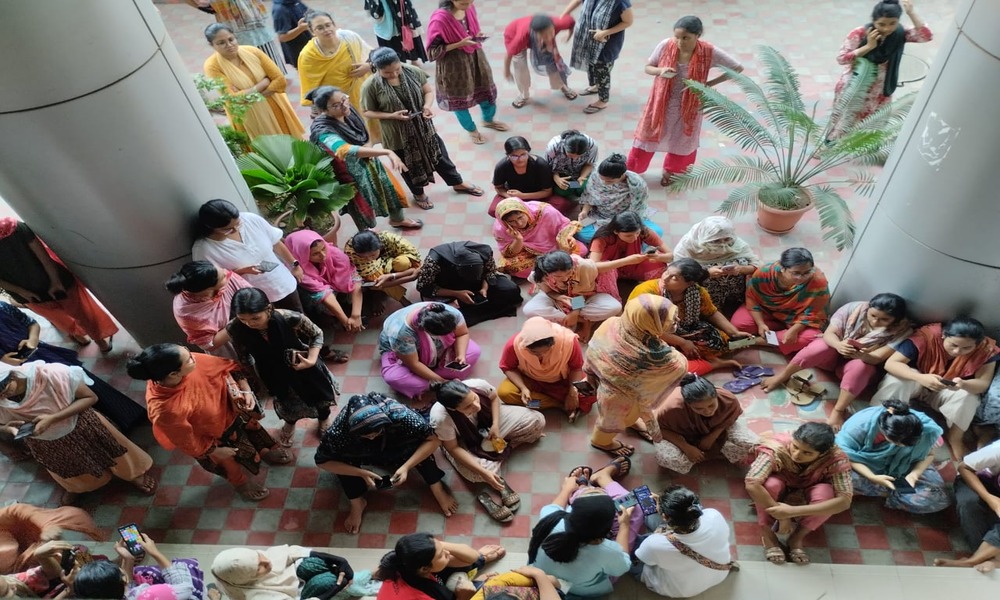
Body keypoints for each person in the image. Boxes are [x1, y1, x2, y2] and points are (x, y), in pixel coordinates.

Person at [127, 343, 291, 502]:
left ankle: (265, 450)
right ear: (173, 375)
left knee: (255, 433)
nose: (194, 357)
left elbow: (228, 367)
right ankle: (242, 484)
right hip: (213, 437)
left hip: (234, 412)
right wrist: (213, 451)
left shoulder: (189, 363)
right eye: (189, 359)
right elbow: (185, 440)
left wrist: (244, 389)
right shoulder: (165, 409)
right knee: (229, 464)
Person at [0, 363, 156, 505]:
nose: (3, 396)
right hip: (44, 441)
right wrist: (6, 428)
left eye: (3, 388)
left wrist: (53, 418)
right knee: (66, 466)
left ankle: (134, 475)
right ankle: (78, 487)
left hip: (82, 426)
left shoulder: (52, 375)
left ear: (12, 374)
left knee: (115, 452)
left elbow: (90, 397)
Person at [762, 293, 913, 429]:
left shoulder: (902, 330)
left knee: (861, 367)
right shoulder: (853, 308)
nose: (875, 321)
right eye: (873, 315)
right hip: (832, 356)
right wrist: (839, 345)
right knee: (820, 346)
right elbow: (830, 334)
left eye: (884, 319)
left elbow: (878, 357)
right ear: (868, 308)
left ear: (896, 320)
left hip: (857, 366)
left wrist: (862, 355)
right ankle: (782, 376)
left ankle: (838, 410)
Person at [315, 393, 459, 533]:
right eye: (366, 435)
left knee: (420, 448)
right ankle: (357, 502)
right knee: (341, 462)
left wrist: (406, 467)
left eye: (376, 432)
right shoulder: (339, 433)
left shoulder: (399, 414)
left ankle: (437, 487)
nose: (372, 437)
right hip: (361, 453)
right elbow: (322, 461)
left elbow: (433, 440)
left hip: (396, 444)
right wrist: (360, 473)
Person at [362, 47, 484, 210]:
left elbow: (427, 91)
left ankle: (457, 182)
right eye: (387, 73)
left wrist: (426, 107)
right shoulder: (371, 85)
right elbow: (366, 112)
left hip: (424, 127)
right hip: (397, 135)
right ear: (377, 69)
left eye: (397, 69)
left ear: (399, 62)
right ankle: (418, 194)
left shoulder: (412, 71)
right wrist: (392, 116)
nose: (394, 74)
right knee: (407, 166)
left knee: (440, 156)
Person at [627, 15, 743, 186]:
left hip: (690, 107)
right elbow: (648, 67)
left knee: (682, 140)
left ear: (698, 35)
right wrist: (660, 71)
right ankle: (633, 171)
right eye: (677, 37)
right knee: (647, 136)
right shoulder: (666, 45)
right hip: (660, 104)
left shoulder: (709, 51)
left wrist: (708, 84)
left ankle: (672, 174)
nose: (680, 42)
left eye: (686, 38)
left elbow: (737, 68)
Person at [0, 301, 146, 432]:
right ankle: (104, 429)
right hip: (13, 377)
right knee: (59, 401)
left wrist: (32, 339)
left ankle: (127, 416)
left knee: (87, 386)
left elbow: (31, 323)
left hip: (44, 357)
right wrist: (4, 362)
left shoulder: (3, 307)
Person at [872, 316, 999, 460]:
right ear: (944, 335)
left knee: (968, 396)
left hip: (946, 389)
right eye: (953, 345)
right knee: (897, 380)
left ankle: (955, 437)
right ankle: (879, 417)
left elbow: (982, 384)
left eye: (967, 348)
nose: (958, 351)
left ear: (977, 344)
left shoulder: (986, 349)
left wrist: (963, 384)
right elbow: (892, 363)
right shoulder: (927, 336)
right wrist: (921, 378)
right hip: (917, 381)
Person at [227, 288, 339, 447]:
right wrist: (251, 383)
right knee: (285, 399)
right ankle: (290, 421)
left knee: (319, 395)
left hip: (303, 365)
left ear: (268, 308)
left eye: (255, 318)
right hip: (271, 371)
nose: (249, 324)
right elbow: (243, 357)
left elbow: (316, 334)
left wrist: (312, 359)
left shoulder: (289, 317)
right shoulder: (235, 328)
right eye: (243, 319)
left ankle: (323, 418)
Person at [305, 85, 423, 231]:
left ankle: (397, 220)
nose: (344, 106)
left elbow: (362, 132)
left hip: (367, 159)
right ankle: (366, 234)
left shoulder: (348, 109)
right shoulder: (323, 130)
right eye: (336, 105)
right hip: (348, 173)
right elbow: (344, 150)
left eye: (344, 99)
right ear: (324, 110)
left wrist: (369, 148)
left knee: (390, 188)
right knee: (360, 205)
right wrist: (386, 152)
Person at [430, 379, 545, 522]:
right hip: (463, 441)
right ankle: (496, 457)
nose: (476, 406)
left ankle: (495, 453)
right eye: (468, 407)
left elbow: (494, 398)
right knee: (476, 475)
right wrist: (484, 473)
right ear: (453, 409)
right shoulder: (441, 419)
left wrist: (496, 425)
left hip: (490, 422)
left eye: (474, 399)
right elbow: (453, 448)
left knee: (537, 421)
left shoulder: (478, 385)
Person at [587, 295, 688, 457]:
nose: (677, 320)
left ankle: (632, 423)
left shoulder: (612, 322)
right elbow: (679, 365)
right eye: (670, 319)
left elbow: (594, 349)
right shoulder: (654, 355)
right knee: (613, 421)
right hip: (621, 399)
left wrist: (590, 373)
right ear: (650, 323)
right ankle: (601, 442)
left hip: (604, 383)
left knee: (619, 417)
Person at [0, 218, 117, 352]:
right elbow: (44, 257)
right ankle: (102, 343)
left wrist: (21, 291)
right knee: (83, 313)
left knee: (58, 318)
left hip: (29, 294)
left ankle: (81, 338)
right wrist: (55, 281)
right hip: (57, 282)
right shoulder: (15, 227)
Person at [745, 422, 853, 565]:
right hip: (781, 481)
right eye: (795, 447)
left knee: (826, 494)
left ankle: (796, 538)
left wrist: (791, 512)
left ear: (823, 454)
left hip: (812, 486)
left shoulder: (836, 458)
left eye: (807, 453)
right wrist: (782, 516)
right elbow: (752, 483)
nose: (796, 455)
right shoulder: (777, 447)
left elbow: (844, 501)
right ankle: (768, 535)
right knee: (770, 485)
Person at [828, 0, 932, 139]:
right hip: (855, 86)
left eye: (892, 23)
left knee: (873, 122)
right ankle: (828, 147)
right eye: (882, 24)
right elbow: (842, 59)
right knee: (844, 120)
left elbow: (926, 36)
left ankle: (860, 150)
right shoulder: (859, 33)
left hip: (880, 90)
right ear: (874, 21)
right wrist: (868, 46)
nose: (887, 28)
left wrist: (911, 13)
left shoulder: (901, 33)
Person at [629, 259, 748, 374]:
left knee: (723, 342)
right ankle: (712, 363)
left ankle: (754, 341)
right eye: (666, 272)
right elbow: (644, 327)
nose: (665, 278)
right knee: (660, 364)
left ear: (689, 283)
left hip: (685, 330)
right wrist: (682, 342)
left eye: (674, 278)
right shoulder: (646, 293)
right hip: (651, 335)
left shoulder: (697, 292)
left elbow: (711, 312)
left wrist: (733, 332)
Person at [836, 400, 951, 514]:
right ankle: (889, 491)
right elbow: (845, 454)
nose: (901, 448)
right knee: (837, 473)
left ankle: (878, 490)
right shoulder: (860, 425)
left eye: (908, 447)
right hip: (864, 465)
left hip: (905, 465)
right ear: (886, 434)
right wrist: (871, 477)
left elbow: (929, 455)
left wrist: (914, 474)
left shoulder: (927, 430)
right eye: (897, 445)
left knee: (939, 498)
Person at [192, 199, 305, 312]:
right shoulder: (204, 249)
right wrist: (241, 271)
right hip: (253, 300)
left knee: (298, 318)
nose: (235, 230)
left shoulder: (250, 219)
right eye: (227, 229)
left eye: (238, 224)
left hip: (283, 283)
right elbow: (212, 283)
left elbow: (276, 242)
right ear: (211, 228)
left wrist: (294, 264)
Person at [426, 1, 510, 144]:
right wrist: (459, 44)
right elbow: (431, 53)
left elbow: (471, 31)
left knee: (486, 92)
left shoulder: (469, 9)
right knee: (460, 101)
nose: (467, 4)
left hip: (476, 59)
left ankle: (488, 120)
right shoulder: (439, 20)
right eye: (463, 1)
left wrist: (477, 35)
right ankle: (472, 130)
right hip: (454, 67)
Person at [203, 24, 305, 140]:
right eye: (221, 43)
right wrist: (264, 83)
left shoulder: (253, 51)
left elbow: (280, 80)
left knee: (288, 143)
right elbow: (232, 99)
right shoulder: (212, 66)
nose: (229, 45)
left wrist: (247, 94)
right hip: (247, 116)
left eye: (231, 39)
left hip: (273, 106)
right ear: (212, 45)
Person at [527, 485, 631, 597]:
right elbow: (623, 567)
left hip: (540, 574)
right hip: (580, 590)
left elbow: (554, 507)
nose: (593, 488)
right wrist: (625, 525)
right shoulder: (609, 551)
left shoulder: (550, 518)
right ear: (606, 528)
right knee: (635, 517)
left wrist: (567, 489)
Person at [634, 485, 736, 598]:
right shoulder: (714, 515)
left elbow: (644, 559)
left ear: (664, 516)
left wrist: (624, 526)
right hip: (719, 574)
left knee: (632, 546)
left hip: (678, 589)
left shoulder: (654, 544)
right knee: (652, 520)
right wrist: (667, 507)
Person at [731, 247, 831, 355]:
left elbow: (814, 312)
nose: (802, 278)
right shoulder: (765, 273)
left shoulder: (817, 280)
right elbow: (752, 297)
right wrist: (760, 324)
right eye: (796, 273)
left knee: (810, 337)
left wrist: (794, 330)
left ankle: (753, 341)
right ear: (782, 268)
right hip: (766, 311)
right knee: (738, 325)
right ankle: (778, 333)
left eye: (807, 272)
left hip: (797, 319)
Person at [653, 374, 759, 474]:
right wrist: (687, 448)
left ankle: (715, 454)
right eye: (699, 409)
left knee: (751, 443)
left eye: (711, 405)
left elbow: (730, 419)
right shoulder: (671, 409)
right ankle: (712, 454)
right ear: (688, 404)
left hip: (716, 428)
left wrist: (713, 436)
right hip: (682, 435)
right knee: (668, 458)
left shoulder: (728, 400)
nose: (708, 411)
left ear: (716, 396)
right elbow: (659, 429)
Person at [378, 302, 481, 402]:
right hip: (404, 355)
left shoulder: (451, 313)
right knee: (394, 378)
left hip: (437, 346)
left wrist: (460, 354)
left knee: (474, 352)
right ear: (426, 331)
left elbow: (462, 334)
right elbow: (414, 364)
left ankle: (429, 382)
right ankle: (440, 380)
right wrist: (442, 381)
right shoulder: (401, 334)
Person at [524, 250, 635, 341]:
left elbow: (583, 293)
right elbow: (548, 292)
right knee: (529, 310)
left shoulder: (584, 267)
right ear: (547, 273)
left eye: (568, 273)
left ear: (573, 266)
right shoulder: (539, 275)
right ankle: (583, 320)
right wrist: (558, 297)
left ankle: (581, 321)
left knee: (614, 307)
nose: (565, 278)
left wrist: (575, 312)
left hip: (586, 297)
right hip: (557, 299)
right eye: (558, 276)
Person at [415, 241, 523, 327]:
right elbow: (423, 287)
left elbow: (490, 272)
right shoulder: (433, 260)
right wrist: (456, 294)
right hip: (448, 284)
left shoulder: (484, 251)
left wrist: (484, 288)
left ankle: (468, 313)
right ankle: (471, 311)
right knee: (437, 318)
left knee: (511, 290)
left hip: (479, 282)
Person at [498, 317, 585, 421]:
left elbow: (576, 368)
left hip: (561, 379)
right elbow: (508, 367)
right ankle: (556, 404)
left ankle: (551, 402)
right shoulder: (515, 345)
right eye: (535, 352)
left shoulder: (568, 341)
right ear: (525, 346)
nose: (542, 355)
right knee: (505, 393)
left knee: (590, 394)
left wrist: (572, 392)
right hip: (529, 378)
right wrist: (523, 388)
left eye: (547, 350)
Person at [935, 438, 1000, 572]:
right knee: (969, 504)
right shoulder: (997, 450)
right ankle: (987, 559)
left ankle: (976, 560)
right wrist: (990, 499)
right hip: (976, 480)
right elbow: (964, 468)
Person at [375, 533, 507, 600]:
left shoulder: (403, 560)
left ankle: (482, 560)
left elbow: (470, 556)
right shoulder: (423, 596)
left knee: (459, 560)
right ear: (425, 569)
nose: (447, 552)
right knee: (491, 593)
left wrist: (436, 545)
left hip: (430, 581)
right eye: (441, 554)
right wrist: (464, 597)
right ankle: (477, 575)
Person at [672, 216, 759, 315]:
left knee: (743, 261)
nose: (722, 244)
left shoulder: (736, 243)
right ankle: (712, 308)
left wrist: (741, 269)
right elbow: (679, 273)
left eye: (726, 240)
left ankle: (734, 302)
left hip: (735, 289)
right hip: (706, 289)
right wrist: (706, 273)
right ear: (704, 238)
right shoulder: (688, 246)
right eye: (716, 241)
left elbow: (756, 265)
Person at [286, 228, 365, 336]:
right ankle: (326, 316)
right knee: (319, 300)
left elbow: (355, 280)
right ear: (302, 254)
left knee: (354, 285)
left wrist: (356, 315)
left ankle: (344, 306)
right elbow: (323, 292)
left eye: (323, 248)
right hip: (315, 291)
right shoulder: (298, 271)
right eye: (315, 254)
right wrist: (346, 322)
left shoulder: (335, 253)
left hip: (334, 286)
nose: (323, 255)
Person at [167, 261, 252, 360]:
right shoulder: (187, 312)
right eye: (222, 277)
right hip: (229, 347)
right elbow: (210, 344)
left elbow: (252, 296)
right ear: (208, 288)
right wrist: (239, 321)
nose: (226, 273)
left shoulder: (225, 277)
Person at [72, 534, 199, 600]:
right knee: (187, 566)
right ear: (124, 578)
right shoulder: (148, 594)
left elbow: (127, 591)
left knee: (138, 571)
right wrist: (155, 552)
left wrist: (128, 560)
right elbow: (186, 588)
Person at [563, 0, 634, 114]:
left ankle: (603, 100)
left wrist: (605, 32)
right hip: (589, 38)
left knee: (602, 70)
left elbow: (628, 21)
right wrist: (564, 14)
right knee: (592, 65)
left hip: (607, 42)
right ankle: (596, 86)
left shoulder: (620, 2)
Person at [212, 545, 353, 600]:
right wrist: (336, 588)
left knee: (312, 564)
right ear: (247, 578)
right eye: (259, 567)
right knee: (327, 582)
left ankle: (334, 575)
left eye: (258, 555)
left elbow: (291, 552)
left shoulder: (252, 561)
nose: (267, 561)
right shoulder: (257, 597)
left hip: (292, 577)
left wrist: (338, 560)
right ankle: (334, 580)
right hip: (294, 596)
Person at [492, 198, 586, 279]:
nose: (519, 223)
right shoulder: (501, 228)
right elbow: (509, 253)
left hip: (555, 244)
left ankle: (545, 272)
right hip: (528, 252)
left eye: (520, 217)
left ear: (526, 211)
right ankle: (556, 269)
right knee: (512, 267)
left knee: (581, 249)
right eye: (512, 222)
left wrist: (568, 237)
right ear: (504, 222)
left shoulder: (545, 211)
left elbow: (563, 226)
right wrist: (518, 240)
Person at [576, 156, 662, 244]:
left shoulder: (637, 184)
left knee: (657, 232)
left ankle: (618, 240)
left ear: (622, 175)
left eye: (609, 181)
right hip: (599, 216)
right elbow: (589, 196)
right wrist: (585, 211)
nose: (604, 183)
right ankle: (622, 241)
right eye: (602, 179)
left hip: (627, 219)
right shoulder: (595, 177)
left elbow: (637, 210)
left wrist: (624, 226)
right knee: (581, 233)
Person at [0, 503, 101, 574]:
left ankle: (92, 570)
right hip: (31, 573)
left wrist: (47, 526)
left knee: (80, 551)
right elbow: (50, 573)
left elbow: (17, 510)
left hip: (39, 557)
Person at [503, 14, 578, 109]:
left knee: (553, 60)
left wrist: (569, 35)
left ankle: (562, 85)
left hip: (534, 35)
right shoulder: (520, 38)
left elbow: (571, 21)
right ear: (535, 33)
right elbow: (509, 54)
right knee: (520, 64)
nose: (549, 37)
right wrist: (506, 71)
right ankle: (523, 95)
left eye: (551, 33)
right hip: (513, 34)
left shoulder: (558, 23)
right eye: (545, 36)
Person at [189, 0, 286, 73]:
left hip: (247, 12)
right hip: (231, 15)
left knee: (259, 41)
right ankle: (261, 77)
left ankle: (274, 74)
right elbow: (201, 3)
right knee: (238, 46)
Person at [490, 136, 572, 217]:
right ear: (508, 155)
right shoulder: (502, 166)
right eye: (514, 156)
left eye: (523, 154)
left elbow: (547, 192)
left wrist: (523, 196)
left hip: (538, 196)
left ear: (528, 152)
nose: (520, 159)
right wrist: (512, 198)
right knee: (494, 210)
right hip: (514, 197)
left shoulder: (541, 165)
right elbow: (498, 187)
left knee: (561, 204)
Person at [343, 230, 421, 314]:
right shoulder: (353, 254)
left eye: (372, 255)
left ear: (379, 247)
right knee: (376, 282)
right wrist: (411, 276)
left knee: (403, 262)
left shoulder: (392, 239)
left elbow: (418, 264)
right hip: (370, 271)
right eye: (364, 257)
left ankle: (383, 290)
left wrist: (392, 276)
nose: (369, 259)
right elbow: (375, 281)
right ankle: (402, 299)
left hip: (389, 260)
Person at [590, 212, 670, 285]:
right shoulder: (602, 238)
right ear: (616, 231)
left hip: (634, 266)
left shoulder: (644, 232)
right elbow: (594, 266)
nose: (635, 238)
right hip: (610, 268)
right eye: (628, 236)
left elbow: (671, 256)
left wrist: (659, 257)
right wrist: (627, 261)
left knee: (661, 264)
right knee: (598, 274)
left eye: (637, 233)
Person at [0, 540, 80, 598]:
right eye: (7, 591)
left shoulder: (11, 581)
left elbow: (54, 574)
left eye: (7, 584)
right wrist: (69, 590)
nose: (14, 585)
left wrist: (41, 556)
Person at [365, 0, 428, 64]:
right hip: (383, 10)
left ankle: (413, 58)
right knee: (391, 35)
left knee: (406, 30)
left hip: (399, 8)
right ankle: (396, 63)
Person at [545, 130, 598, 204]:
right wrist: (556, 178)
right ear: (564, 147)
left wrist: (582, 177)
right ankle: (571, 192)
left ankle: (575, 190)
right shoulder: (553, 146)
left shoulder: (592, 146)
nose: (575, 159)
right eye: (570, 155)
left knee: (584, 188)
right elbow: (547, 166)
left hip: (581, 171)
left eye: (580, 156)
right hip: (561, 173)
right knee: (562, 189)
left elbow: (589, 164)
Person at [271, 0, 311, 67]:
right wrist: (300, 29)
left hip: (309, 45)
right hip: (298, 52)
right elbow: (282, 37)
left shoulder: (296, 2)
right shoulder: (280, 10)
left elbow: (308, 12)